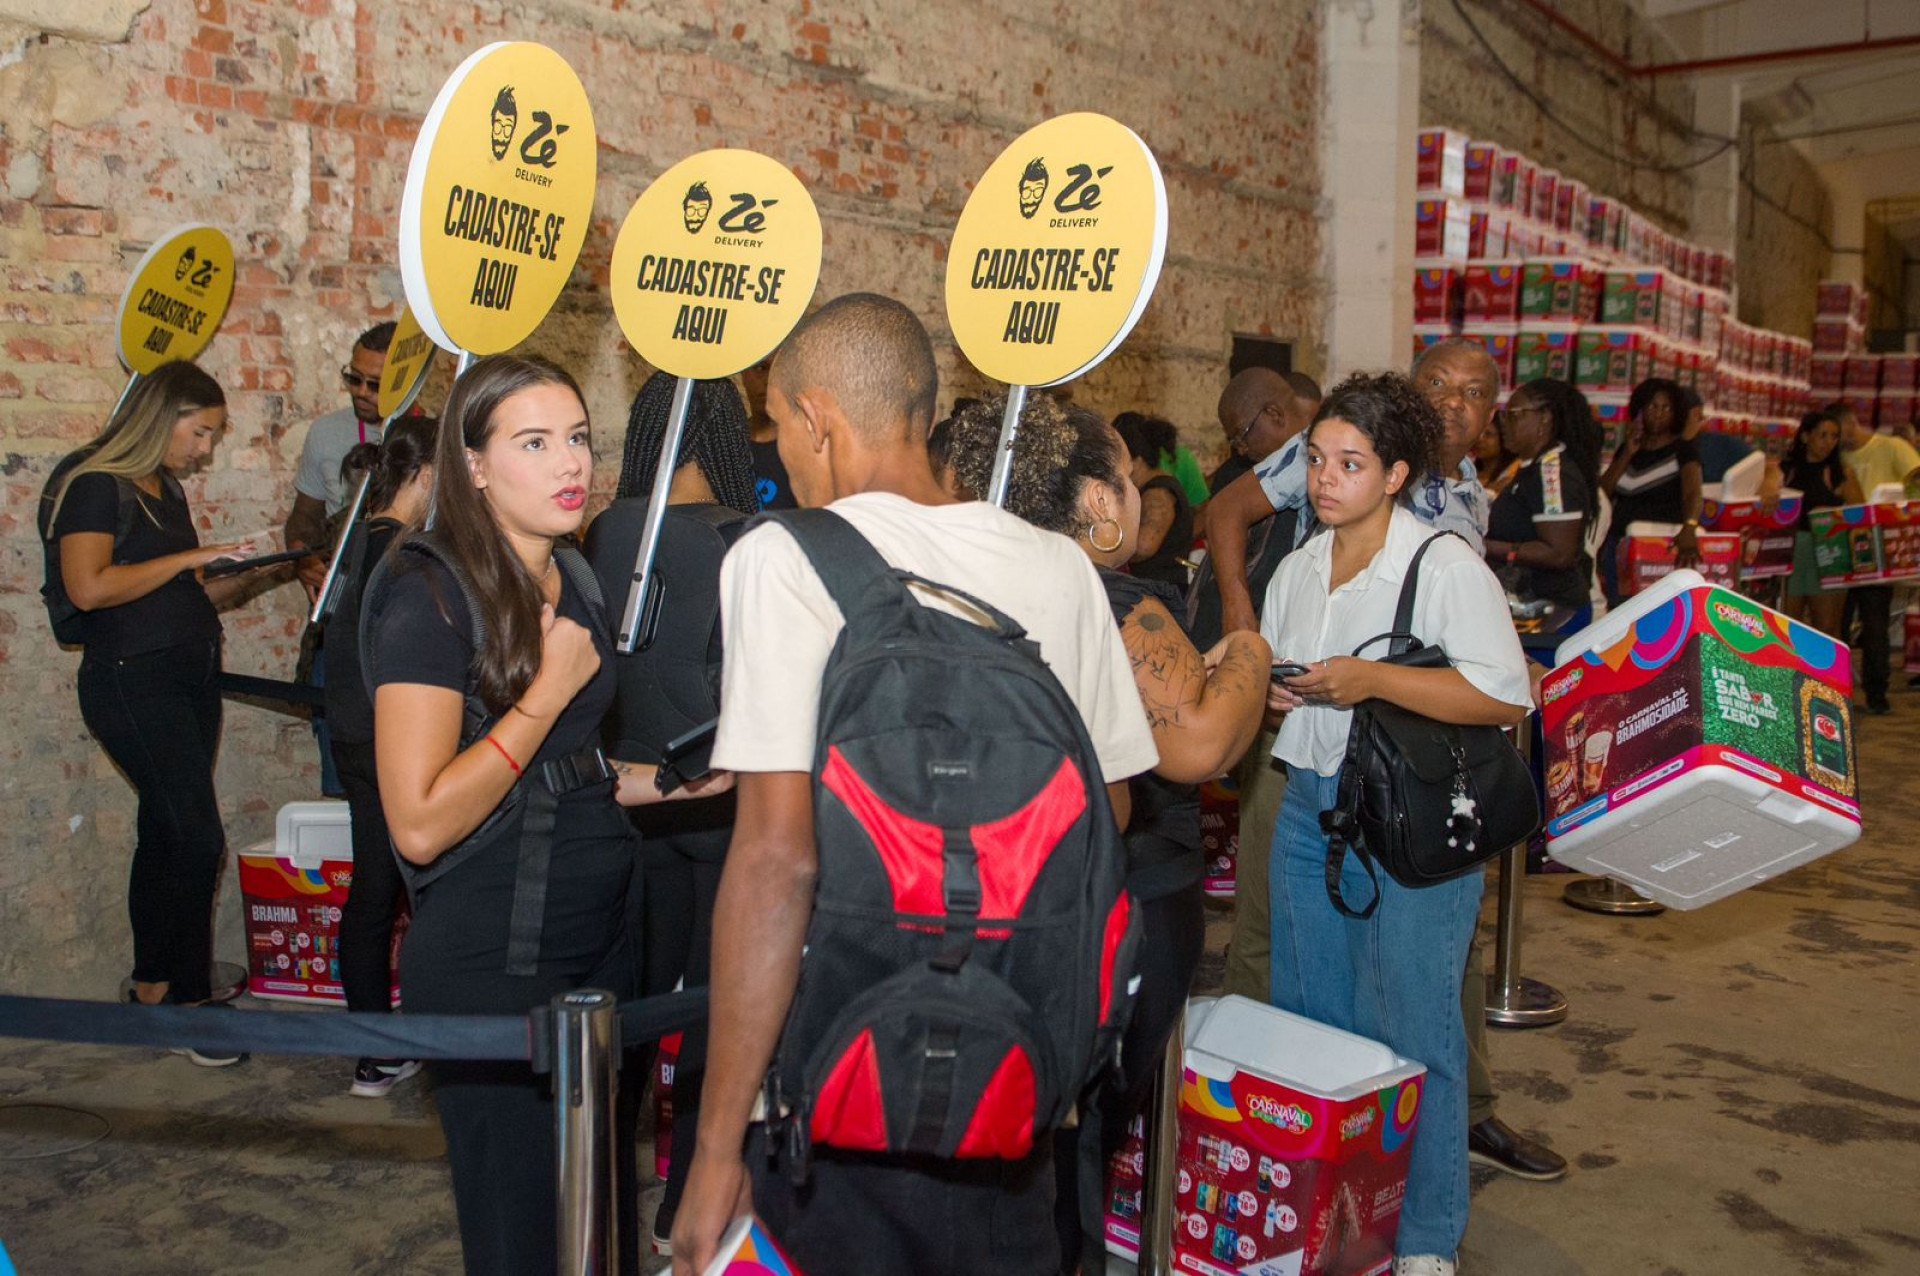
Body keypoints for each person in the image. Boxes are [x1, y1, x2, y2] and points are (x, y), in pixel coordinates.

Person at [672, 294, 1157, 1276]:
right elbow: (1107, 815)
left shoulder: (781, 558)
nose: (782, 454)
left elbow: (776, 861)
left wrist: (716, 1146)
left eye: (779, 425)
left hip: (838, 1070)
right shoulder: (1059, 565)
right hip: (1016, 1070)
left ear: (816, 418)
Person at [368, 355, 725, 1276]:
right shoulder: (428, 595)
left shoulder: (575, 573)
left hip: (599, 942)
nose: (570, 463)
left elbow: (567, 772)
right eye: (533, 443)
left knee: (596, 1226)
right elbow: (418, 822)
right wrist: (546, 691)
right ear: (474, 465)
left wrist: (684, 782)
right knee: (523, 1236)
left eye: (577, 438)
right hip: (494, 957)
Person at [945, 394, 1270, 1273]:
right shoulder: (1116, 597)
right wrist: (1247, 648)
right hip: (1125, 893)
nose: (1134, 493)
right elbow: (1198, 745)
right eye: (1124, 477)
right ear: (1095, 500)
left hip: (997, 887)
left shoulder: (971, 585)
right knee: (1079, 1136)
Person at [1262, 372, 1532, 1276]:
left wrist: (1373, 679)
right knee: (1312, 1020)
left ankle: (1424, 1239)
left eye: (1351, 463)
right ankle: (1333, 1223)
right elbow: (1294, 682)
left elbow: (1504, 696)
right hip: (1310, 808)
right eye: (1316, 459)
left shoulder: (1442, 565)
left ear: (1396, 474)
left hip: (1411, 823)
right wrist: (1277, 693)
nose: (1325, 478)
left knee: (1416, 1029)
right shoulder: (1299, 568)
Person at [44, 362, 259, 1065]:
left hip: (187, 673)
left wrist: (240, 575)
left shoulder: (165, 489)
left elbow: (174, 591)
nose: (205, 449)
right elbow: (89, 587)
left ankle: (150, 987)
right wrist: (192, 558)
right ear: (164, 416)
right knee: (197, 836)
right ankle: (190, 1006)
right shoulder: (94, 485)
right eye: (201, 433)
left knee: (165, 833)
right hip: (131, 682)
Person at [597, 371, 761, 1257]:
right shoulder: (749, 539)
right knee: (712, 1006)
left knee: (624, 1003)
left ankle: (601, 1183)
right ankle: (684, 1208)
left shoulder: (603, 530)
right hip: (718, 800)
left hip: (627, 794)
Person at [322, 414, 438, 1098]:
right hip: (391, 738)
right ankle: (430, 1041)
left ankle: (374, 1051)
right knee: (427, 893)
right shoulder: (403, 552)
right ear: (424, 476)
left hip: (350, 731)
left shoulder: (352, 538)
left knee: (372, 891)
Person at [286, 321, 396, 798]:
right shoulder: (326, 434)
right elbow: (303, 520)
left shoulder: (434, 433)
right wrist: (302, 559)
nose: (361, 392)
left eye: (375, 383)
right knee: (343, 783)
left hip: (403, 628)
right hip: (341, 632)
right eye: (354, 378)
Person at [1483, 378, 1602, 621]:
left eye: (1514, 414)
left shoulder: (1552, 473)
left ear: (1545, 418)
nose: (1504, 422)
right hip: (1533, 605)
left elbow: (1558, 552)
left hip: (1552, 613)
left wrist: (1485, 546)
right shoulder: (1531, 467)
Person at [1831, 400, 1920, 714]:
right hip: (1840, 548)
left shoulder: (1892, 447)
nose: (1836, 440)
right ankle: (1838, 688)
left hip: (1880, 550)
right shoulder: (1836, 457)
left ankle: (1876, 692)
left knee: (1875, 621)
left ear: (1851, 422)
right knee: (1838, 622)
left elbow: (1916, 479)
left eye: (1838, 432)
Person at [1600, 378, 1703, 603]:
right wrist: (1627, 453)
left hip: (1660, 548)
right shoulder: (1628, 449)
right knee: (1619, 610)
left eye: (1666, 408)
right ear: (1640, 410)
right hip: (1619, 545)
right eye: (1652, 407)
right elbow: (1602, 493)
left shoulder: (1683, 450)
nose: (1658, 414)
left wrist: (1690, 526)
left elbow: (1693, 492)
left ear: (1677, 413)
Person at [1780, 410, 1863, 642]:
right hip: (1795, 550)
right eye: (1822, 435)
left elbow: (1860, 516)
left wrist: (1833, 516)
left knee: (1826, 628)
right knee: (1787, 625)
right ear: (1805, 436)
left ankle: (1828, 666)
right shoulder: (1785, 470)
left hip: (1829, 551)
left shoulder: (1841, 474)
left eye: (1834, 436)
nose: (1829, 442)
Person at [1112, 413, 1196, 587]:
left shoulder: (1158, 493)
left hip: (1160, 590)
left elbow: (1144, 546)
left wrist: (1104, 549)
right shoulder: (1152, 488)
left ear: (1136, 461)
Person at [738, 356, 798, 511]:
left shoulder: (805, 446)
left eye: (778, 370)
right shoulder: (726, 443)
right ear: (743, 374)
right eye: (760, 368)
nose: (768, 380)